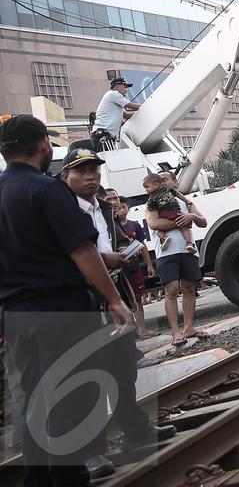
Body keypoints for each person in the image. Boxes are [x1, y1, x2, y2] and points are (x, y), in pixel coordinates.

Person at [0, 115, 132, 486]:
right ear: (44, 145)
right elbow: (82, 250)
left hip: (17, 316)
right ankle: (69, 477)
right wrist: (114, 300)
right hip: (61, 311)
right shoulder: (47, 190)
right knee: (70, 399)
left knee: (34, 401)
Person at [58, 149, 176, 478]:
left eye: (94, 168)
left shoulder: (106, 208)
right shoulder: (62, 209)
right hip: (83, 300)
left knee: (123, 368)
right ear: (66, 175)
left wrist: (124, 252)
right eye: (81, 170)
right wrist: (103, 259)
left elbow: (115, 239)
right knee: (87, 376)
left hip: (115, 292)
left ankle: (136, 429)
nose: (90, 175)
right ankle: (90, 452)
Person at [143, 173, 207, 346]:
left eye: (165, 180)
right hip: (166, 253)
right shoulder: (154, 201)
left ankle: (189, 328)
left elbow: (203, 221)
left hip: (188, 251)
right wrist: (182, 222)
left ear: (174, 181)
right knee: (171, 290)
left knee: (189, 287)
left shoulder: (185, 202)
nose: (162, 183)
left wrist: (191, 217)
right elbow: (154, 224)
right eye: (160, 180)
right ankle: (175, 333)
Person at [114, 200, 156, 336]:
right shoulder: (112, 226)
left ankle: (142, 329)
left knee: (138, 298)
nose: (121, 210)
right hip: (119, 269)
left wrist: (149, 264)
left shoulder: (134, 225)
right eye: (119, 208)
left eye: (123, 207)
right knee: (121, 299)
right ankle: (128, 331)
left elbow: (142, 245)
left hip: (134, 267)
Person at [90, 78, 142, 152]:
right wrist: (147, 106)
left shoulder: (115, 102)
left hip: (104, 135)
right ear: (117, 86)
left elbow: (126, 115)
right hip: (102, 135)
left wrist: (141, 112)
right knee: (107, 159)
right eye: (124, 86)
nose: (126, 90)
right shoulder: (113, 94)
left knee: (109, 159)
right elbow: (130, 106)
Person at [145, 182, 195, 255]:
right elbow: (178, 194)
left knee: (158, 230)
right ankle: (189, 243)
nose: (146, 190)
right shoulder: (168, 189)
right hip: (176, 212)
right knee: (184, 228)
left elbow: (150, 207)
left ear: (155, 185)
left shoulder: (152, 198)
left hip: (165, 214)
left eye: (147, 187)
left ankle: (164, 237)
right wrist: (187, 201)